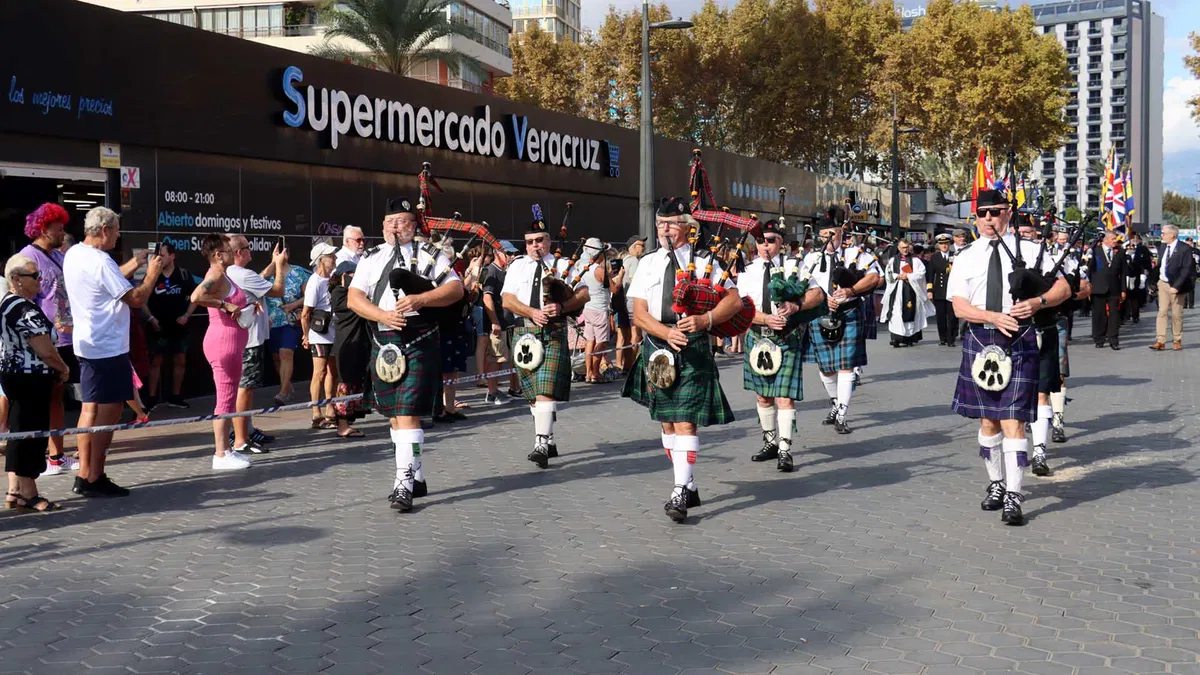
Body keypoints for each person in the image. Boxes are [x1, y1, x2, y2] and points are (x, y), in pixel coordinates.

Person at [947, 190, 1072, 526]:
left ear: (1008, 213)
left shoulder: (1031, 251)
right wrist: (992, 317)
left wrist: (1038, 302)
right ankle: (996, 483)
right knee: (989, 421)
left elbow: (1065, 289)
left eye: (995, 212)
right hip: (980, 337)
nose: (988, 218)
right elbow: (959, 306)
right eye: (982, 213)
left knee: (1014, 420)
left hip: (1021, 337)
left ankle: (1014, 496)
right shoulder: (966, 256)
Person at [622, 197, 740, 522]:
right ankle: (688, 482)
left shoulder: (706, 262)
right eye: (661, 224)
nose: (665, 230)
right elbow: (639, 313)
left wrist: (706, 320)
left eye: (672, 223)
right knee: (667, 421)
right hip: (657, 345)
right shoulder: (647, 262)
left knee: (685, 419)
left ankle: (678, 492)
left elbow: (735, 301)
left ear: (689, 228)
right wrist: (665, 332)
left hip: (693, 346)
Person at [347, 197, 464, 512]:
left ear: (413, 226)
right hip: (383, 338)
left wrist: (422, 299)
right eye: (390, 222)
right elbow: (354, 298)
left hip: (418, 336)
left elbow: (455, 290)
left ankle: (403, 484)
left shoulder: (429, 255)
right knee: (396, 416)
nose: (394, 228)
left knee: (408, 412)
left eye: (401, 221)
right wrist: (381, 315)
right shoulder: (371, 258)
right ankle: (418, 476)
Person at [501, 215, 589, 469]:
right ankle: (548, 438)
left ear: (548, 241)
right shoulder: (517, 266)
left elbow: (584, 294)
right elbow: (507, 300)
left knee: (545, 389)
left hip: (553, 331)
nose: (534, 246)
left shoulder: (562, 264)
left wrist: (561, 306)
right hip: (524, 332)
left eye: (539, 240)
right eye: (529, 242)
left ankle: (540, 444)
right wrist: (532, 312)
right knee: (531, 393)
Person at [738, 220, 823, 472]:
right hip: (757, 335)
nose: (766, 245)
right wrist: (764, 318)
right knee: (762, 395)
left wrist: (796, 305)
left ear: (781, 243)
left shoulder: (793, 267)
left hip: (786, 337)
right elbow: (738, 306)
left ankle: (785, 450)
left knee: (784, 397)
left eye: (772, 240)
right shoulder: (746, 270)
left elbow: (818, 295)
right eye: (762, 240)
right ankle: (770, 442)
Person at [2, 254, 72, 512]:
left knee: (20, 431)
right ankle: (29, 493)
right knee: (30, 434)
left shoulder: (9, 303)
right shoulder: (22, 308)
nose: (40, 280)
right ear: (17, 280)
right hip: (29, 377)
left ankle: (15, 491)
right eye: (35, 276)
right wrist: (62, 368)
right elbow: (45, 350)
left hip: (17, 375)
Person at [799, 217, 881, 435]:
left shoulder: (856, 254)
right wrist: (822, 299)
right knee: (825, 368)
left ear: (841, 234)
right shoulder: (811, 259)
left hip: (849, 312)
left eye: (832, 234)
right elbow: (802, 285)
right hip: (820, 312)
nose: (828, 239)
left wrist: (850, 291)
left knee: (845, 365)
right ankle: (836, 403)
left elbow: (875, 277)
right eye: (825, 235)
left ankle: (842, 414)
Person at [20, 203, 77, 475]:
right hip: (44, 340)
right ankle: (42, 458)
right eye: (59, 228)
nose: (62, 232)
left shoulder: (59, 256)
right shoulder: (27, 258)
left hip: (66, 338)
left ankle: (56, 456)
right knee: (40, 401)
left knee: (57, 399)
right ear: (44, 229)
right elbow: (23, 300)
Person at [190, 234, 253, 471]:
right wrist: (226, 305)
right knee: (225, 398)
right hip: (223, 342)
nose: (232, 253)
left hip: (230, 341)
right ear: (218, 255)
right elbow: (196, 297)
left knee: (228, 396)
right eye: (228, 250)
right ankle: (220, 453)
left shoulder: (222, 274)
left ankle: (225, 450)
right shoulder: (215, 273)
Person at [225, 234, 287, 451]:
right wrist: (280, 267)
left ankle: (246, 430)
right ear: (238, 253)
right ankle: (241, 439)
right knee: (245, 389)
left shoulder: (234, 274)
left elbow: (259, 279)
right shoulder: (243, 274)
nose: (251, 251)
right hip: (249, 341)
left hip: (245, 339)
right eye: (247, 247)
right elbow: (278, 291)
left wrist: (272, 263)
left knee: (246, 388)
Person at [143, 241, 197, 411]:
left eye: (163, 255)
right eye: (158, 256)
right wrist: (151, 318)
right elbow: (140, 299)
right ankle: (151, 399)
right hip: (158, 327)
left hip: (179, 328)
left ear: (172, 256)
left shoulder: (183, 275)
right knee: (155, 361)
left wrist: (187, 315)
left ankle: (176, 396)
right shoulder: (153, 275)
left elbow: (196, 297)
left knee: (180, 360)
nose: (160, 259)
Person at [263, 256, 311, 405]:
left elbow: (308, 296)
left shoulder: (298, 272)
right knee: (276, 357)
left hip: (290, 321)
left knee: (286, 352)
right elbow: (257, 286)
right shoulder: (268, 273)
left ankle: (283, 392)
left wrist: (293, 305)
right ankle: (287, 385)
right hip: (271, 322)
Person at [329, 261, 368, 437]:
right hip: (346, 344)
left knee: (354, 383)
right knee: (345, 384)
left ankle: (349, 420)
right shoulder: (339, 293)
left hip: (359, 343)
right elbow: (353, 307)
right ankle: (342, 425)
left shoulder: (355, 294)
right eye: (353, 275)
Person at [303, 243, 339, 429]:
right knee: (319, 372)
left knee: (334, 370)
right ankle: (316, 413)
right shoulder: (314, 282)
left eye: (333, 255)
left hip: (334, 331)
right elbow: (305, 313)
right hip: (319, 334)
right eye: (330, 256)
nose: (334, 258)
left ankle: (330, 408)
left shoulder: (334, 278)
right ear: (320, 260)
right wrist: (306, 335)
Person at [579, 238, 623, 384]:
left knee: (590, 341)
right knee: (602, 342)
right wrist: (620, 276)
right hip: (599, 309)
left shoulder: (583, 267)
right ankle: (596, 372)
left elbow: (600, 282)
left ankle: (588, 373)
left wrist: (609, 276)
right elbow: (614, 289)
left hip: (588, 307)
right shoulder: (599, 270)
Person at [480, 244, 520, 403]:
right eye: (507, 253)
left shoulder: (505, 271)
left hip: (508, 321)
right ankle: (492, 392)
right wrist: (494, 322)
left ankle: (510, 388)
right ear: (497, 253)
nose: (510, 256)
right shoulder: (492, 270)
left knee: (506, 358)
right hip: (497, 323)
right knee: (496, 358)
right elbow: (487, 297)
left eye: (512, 253)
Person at [1149, 225, 1194, 351]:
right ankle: (1160, 340)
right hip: (1163, 283)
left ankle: (1177, 340)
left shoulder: (1184, 249)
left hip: (1177, 285)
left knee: (1176, 314)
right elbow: (1160, 265)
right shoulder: (1163, 246)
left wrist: (1177, 286)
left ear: (1172, 235)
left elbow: (1186, 269)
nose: (1161, 235)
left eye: (1163, 233)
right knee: (1162, 312)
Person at [882, 239, 932, 348]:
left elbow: (921, 274)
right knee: (896, 312)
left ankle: (909, 338)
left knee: (910, 311)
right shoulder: (893, 260)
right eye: (902, 248)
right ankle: (896, 338)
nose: (905, 250)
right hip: (897, 290)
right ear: (899, 248)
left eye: (906, 247)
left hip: (911, 289)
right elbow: (888, 274)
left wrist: (909, 276)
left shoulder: (916, 260)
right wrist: (897, 276)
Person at [1085, 230, 1126, 350]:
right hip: (1097, 287)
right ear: (1106, 240)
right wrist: (1087, 287)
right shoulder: (1094, 251)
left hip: (1114, 288)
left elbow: (1123, 272)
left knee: (1114, 314)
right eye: (1113, 239)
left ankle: (1113, 339)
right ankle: (1099, 338)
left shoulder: (1120, 252)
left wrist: (1123, 289)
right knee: (1099, 315)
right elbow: (1088, 271)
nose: (1116, 241)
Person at [617, 234, 647, 372]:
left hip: (622, 301)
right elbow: (635, 280)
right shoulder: (634, 261)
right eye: (642, 245)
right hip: (631, 301)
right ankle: (632, 364)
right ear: (634, 247)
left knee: (624, 336)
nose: (644, 248)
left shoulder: (624, 259)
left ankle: (624, 364)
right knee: (636, 333)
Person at [927, 233, 956, 346]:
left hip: (952, 289)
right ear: (938, 245)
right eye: (941, 244)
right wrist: (930, 290)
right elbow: (930, 275)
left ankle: (951, 339)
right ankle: (942, 338)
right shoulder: (935, 257)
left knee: (952, 316)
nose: (944, 246)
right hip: (939, 289)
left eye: (946, 243)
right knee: (941, 316)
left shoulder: (955, 256)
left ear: (949, 244)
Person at [1123, 233, 1152, 324]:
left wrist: (1146, 272)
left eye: (1136, 238)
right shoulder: (1123, 248)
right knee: (1125, 296)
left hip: (1137, 274)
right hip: (1125, 275)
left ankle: (1135, 315)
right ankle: (1125, 315)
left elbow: (1147, 262)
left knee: (1135, 296)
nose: (1134, 240)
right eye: (1132, 238)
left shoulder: (1142, 249)